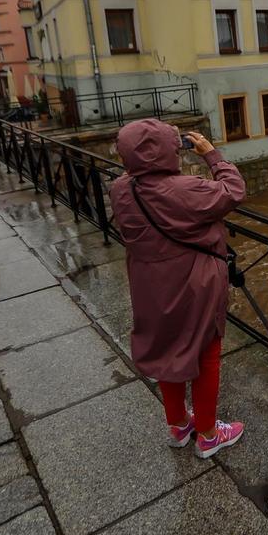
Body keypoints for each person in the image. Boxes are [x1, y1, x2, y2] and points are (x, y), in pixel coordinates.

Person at [109, 118, 247, 458]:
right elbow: (234, 191)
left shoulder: (121, 188)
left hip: (149, 285)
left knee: (165, 349)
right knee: (206, 353)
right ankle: (208, 434)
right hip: (193, 283)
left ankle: (178, 424)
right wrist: (212, 155)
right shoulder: (186, 190)